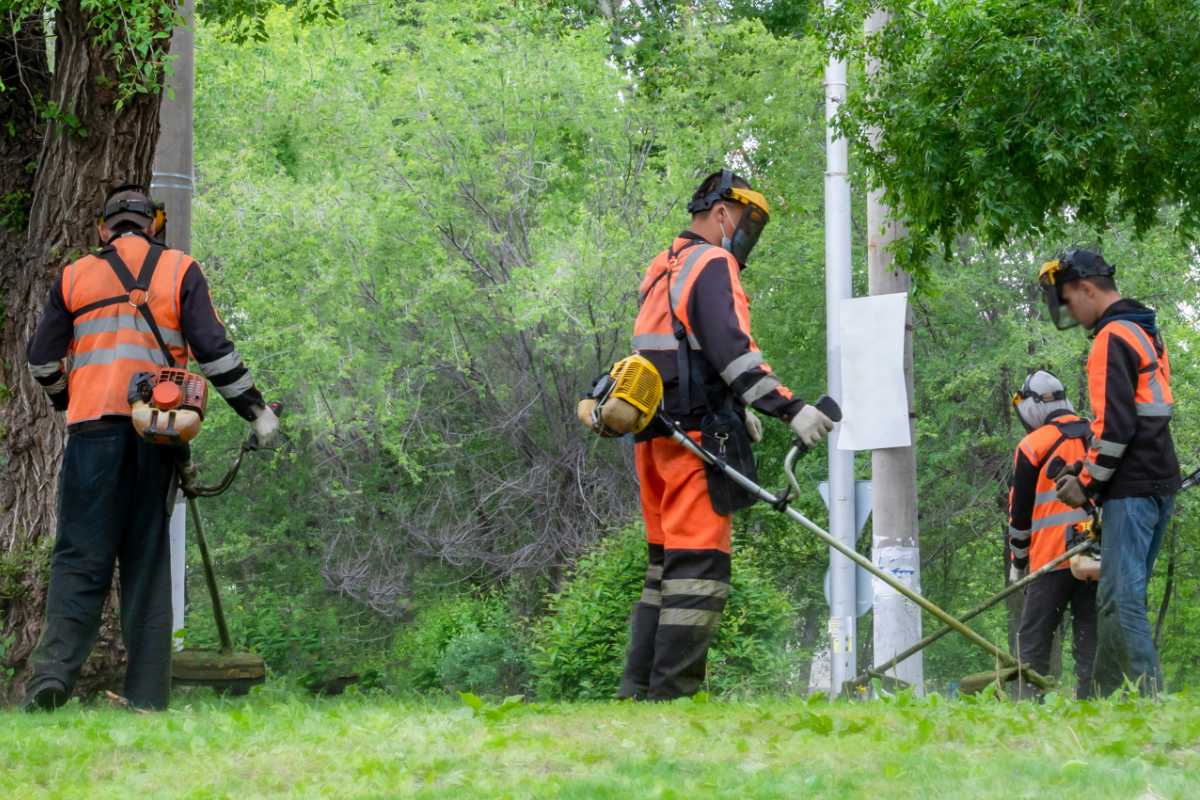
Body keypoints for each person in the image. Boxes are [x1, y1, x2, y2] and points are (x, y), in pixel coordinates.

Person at [22, 184, 279, 711]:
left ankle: (51, 679)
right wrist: (256, 411)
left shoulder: (74, 276)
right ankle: (146, 697)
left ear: (103, 228)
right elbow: (215, 352)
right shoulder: (180, 270)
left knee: (79, 558)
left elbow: (41, 361)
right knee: (145, 562)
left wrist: (65, 398)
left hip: (92, 432)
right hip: (156, 436)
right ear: (153, 224)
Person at [619, 169, 834, 700]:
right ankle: (671, 698)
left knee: (663, 572)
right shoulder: (712, 263)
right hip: (694, 443)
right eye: (742, 223)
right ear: (720, 214)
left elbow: (680, 349)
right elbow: (732, 350)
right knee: (697, 572)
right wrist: (790, 409)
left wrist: (737, 403)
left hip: (653, 437)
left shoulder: (663, 264)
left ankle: (636, 692)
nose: (742, 239)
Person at [1038, 249, 1180, 696]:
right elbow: (1136, 422)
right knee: (1113, 600)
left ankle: (1148, 700)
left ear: (1087, 288)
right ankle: (1102, 698)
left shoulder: (1110, 338)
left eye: (1068, 300)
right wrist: (1088, 465)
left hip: (1133, 489)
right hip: (1156, 478)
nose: (1069, 312)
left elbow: (1116, 428)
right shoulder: (1143, 331)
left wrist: (1085, 482)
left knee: (1120, 602)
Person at [1008, 370, 1096, 698]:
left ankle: (1028, 707)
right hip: (1094, 556)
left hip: (1050, 561)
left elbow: (1019, 516)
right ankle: (1093, 705)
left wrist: (1019, 561)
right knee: (1092, 640)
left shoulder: (1032, 445)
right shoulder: (1097, 436)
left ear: (1033, 405)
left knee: (1033, 644)